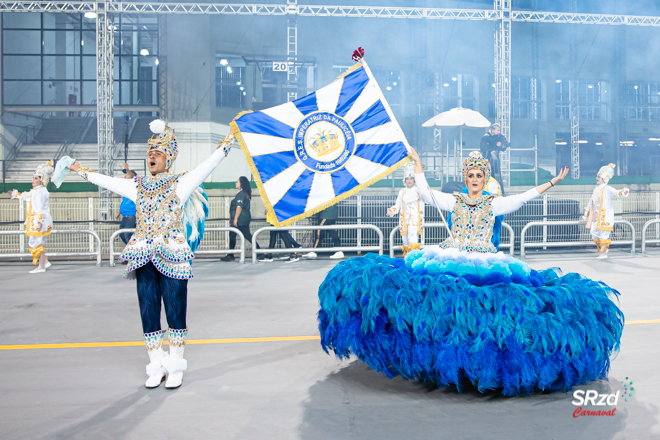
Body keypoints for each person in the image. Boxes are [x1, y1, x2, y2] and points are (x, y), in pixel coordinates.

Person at [317, 149, 624, 396]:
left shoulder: (494, 203)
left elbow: (523, 198)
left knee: (483, 312)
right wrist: (419, 165)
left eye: (479, 175)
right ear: (465, 178)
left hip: (485, 262)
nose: (475, 179)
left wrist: (553, 182)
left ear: (484, 178)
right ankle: (440, 360)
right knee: (443, 308)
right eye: (471, 175)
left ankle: (476, 363)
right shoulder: (456, 200)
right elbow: (426, 194)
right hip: (450, 256)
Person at [67, 119, 231, 389]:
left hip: (174, 256)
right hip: (143, 255)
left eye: (157, 154)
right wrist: (81, 170)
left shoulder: (182, 183)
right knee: (148, 311)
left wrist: (227, 142)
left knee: (176, 311)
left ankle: (175, 366)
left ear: (168, 159)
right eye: (149, 155)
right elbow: (107, 181)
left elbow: (208, 164)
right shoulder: (138, 185)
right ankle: (156, 365)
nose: (151, 158)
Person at [8, 161, 54, 274]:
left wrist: (39, 221)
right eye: (33, 178)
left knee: (36, 243)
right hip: (38, 220)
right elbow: (26, 196)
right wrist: (16, 195)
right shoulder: (37, 191)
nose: (33, 181)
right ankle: (44, 262)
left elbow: (39, 208)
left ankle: (41, 266)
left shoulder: (41, 192)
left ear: (41, 180)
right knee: (37, 243)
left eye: (35, 178)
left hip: (38, 221)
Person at [583, 163, 629, 259]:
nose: (597, 178)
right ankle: (603, 250)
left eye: (599, 176)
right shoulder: (596, 189)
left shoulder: (607, 189)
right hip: (596, 217)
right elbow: (591, 201)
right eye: (597, 176)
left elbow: (616, 193)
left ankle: (603, 253)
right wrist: (587, 212)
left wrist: (623, 191)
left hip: (605, 217)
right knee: (594, 233)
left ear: (604, 178)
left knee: (604, 235)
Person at [387, 163, 424, 256]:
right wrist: (392, 210)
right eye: (407, 179)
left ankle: (413, 261)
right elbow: (397, 205)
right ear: (405, 180)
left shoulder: (419, 190)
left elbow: (426, 200)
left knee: (413, 241)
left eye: (411, 178)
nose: (409, 181)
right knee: (405, 242)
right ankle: (407, 260)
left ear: (414, 180)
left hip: (414, 220)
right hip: (404, 221)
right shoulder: (402, 192)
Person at [221, 176, 257, 262]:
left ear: (241, 184)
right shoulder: (243, 193)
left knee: (238, 235)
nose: (236, 183)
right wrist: (232, 217)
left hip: (240, 219)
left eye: (237, 182)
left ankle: (231, 255)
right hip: (243, 218)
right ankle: (259, 252)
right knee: (243, 235)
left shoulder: (241, 194)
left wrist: (235, 219)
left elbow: (239, 207)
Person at [479, 123, 509, 194]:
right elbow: (484, 148)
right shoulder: (485, 137)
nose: (499, 132)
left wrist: (499, 145)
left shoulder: (500, 137)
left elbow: (505, 145)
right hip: (486, 160)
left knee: (497, 175)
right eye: (498, 130)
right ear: (493, 130)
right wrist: (496, 145)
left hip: (495, 161)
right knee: (485, 175)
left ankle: (500, 193)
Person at [115, 164, 137, 245]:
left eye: (126, 174)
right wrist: (118, 212)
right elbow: (122, 202)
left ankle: (131, 250)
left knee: (128, 235)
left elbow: (131, 176)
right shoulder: (125, 190)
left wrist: (127, 169)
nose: (125, 177)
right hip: (125, 216)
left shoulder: (134, 187)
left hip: (132, 215)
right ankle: (130, 248)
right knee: (121, 233)